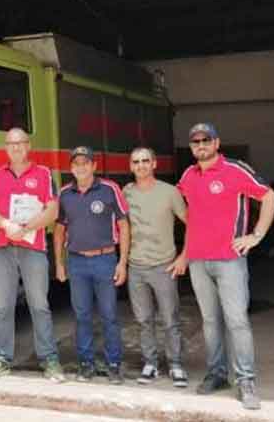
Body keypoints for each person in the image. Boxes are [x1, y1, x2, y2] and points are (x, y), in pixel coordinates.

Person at [177, 123, 274, 410]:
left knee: (237, 321)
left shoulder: (236, 170)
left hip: (229, 260)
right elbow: (192, 217)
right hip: (198, 260)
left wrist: (256, 235)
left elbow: (269, 196)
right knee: (210, 322)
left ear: (217, 142)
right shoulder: (188, 176)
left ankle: (246, 380)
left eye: (205, 139)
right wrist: (185, 254)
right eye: (195, 141)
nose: (200, 144)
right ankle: (217, 374)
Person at [0, 127, 65, 382]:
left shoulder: (43, 174)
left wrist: (26, 228)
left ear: (28, 146)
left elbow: (52, 210)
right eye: (11, 144)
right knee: (3, 307)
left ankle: (49, 359)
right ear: (5, 148)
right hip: (3, 249)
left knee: (39, 305)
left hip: (33, 248)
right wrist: (7, 226)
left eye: (20, 143)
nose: (16, 148)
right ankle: (2, 359)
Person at [54, 146, 129, 384]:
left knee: (109, 315)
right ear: (71, 168)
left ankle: (114, 364)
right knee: (82, 315)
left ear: (94, 166)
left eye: (86, 163)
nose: (81, 167)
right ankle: (85, 363)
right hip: (76, 262)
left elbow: (124, 226)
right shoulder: (65, 193)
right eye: (76, 163)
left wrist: (122, 263)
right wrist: (59, 263)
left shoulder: (109, 189)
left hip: (105, 260)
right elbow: (59, 230)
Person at [124, 147, 188, 387]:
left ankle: (175, 365)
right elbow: (122, 228)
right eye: (136, 162)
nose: (141, 165)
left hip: (164, 266)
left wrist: (184, 256)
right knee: (143, 319)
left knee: (170, 318)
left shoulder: (170, 192)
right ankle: (150, 363)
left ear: (154, 164)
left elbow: (191, 222)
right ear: (130, 166)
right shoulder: (126, 193)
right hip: (136, 267)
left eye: (145, 161)